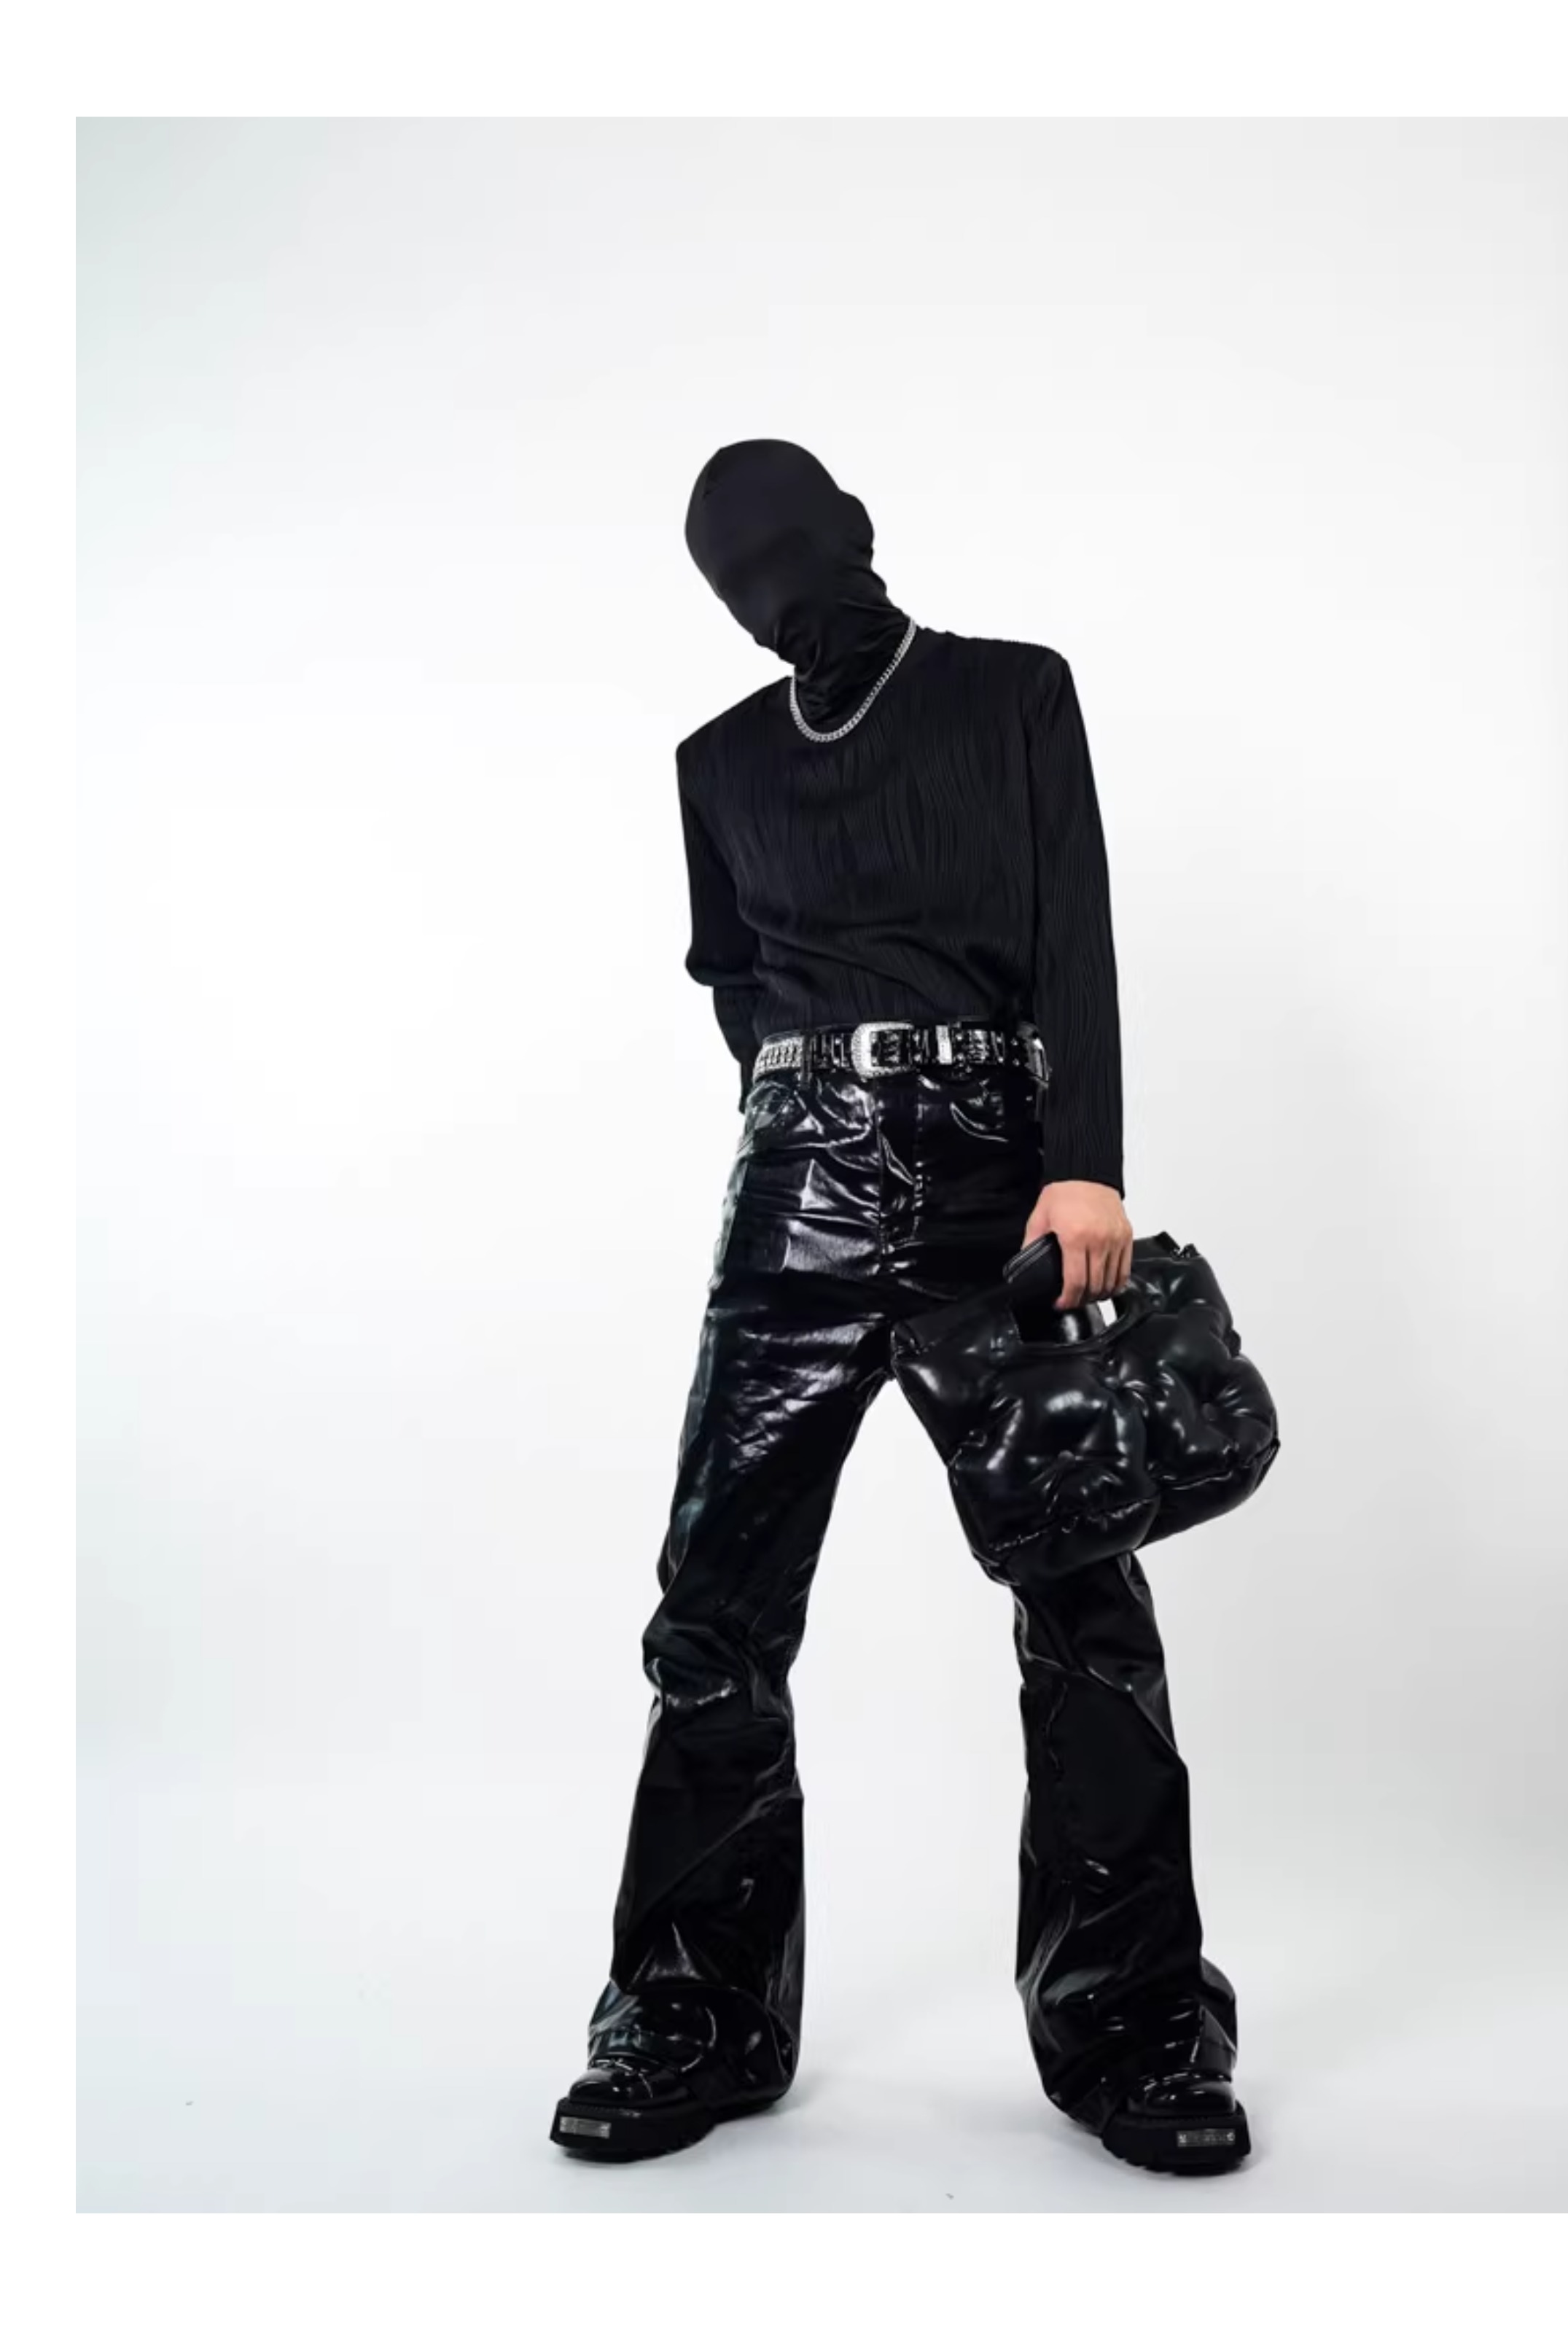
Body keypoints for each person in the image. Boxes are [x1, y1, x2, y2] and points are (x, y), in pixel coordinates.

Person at [550, 439, 1247, 2175]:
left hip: (999, 1188)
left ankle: (1135, 2022)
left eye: (784, 545)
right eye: (731, 572)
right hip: (794, 1191)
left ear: (855, 531)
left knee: (1081, 1599)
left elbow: (1073, 926)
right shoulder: (716, 762)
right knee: (714, 1612)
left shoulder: (1012, 693)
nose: (765, 588)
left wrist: (1081, 1163)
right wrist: (815, 1098)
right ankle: (692, 2009)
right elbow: (732, 979)